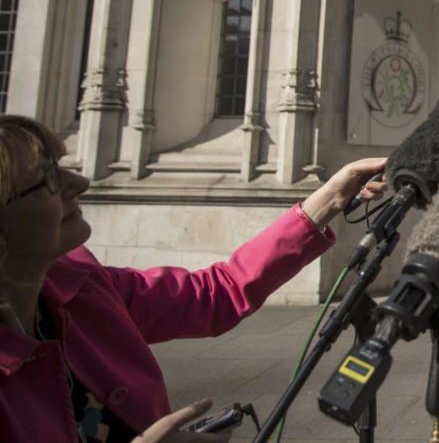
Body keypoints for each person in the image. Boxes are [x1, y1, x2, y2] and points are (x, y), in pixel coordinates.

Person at [0, 115, 388, 442]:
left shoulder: (81, 281)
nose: (79, 183)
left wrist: (331, 198)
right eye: (48, 178)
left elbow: (216, 293)